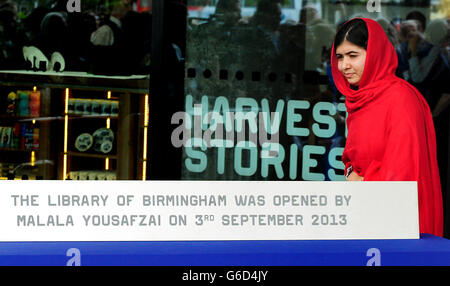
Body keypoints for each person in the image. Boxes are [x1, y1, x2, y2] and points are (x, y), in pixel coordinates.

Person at [331, 18, 443, 236]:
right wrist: (353, 174)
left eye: (353, 55)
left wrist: (362, 181)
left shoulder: (401, 99)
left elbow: (404, 174)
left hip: (398, 222)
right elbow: (352, 158)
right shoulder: (358, 98)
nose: (344, 65)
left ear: (374, 53)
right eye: (339, 57)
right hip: (364, 214)